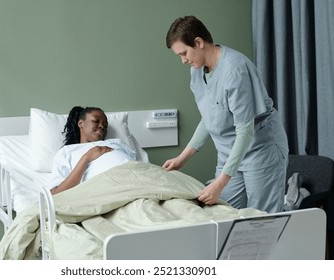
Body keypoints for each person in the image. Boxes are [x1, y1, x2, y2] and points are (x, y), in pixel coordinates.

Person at [163, 16, 289, 213]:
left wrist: (219, 182)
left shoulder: (235, 70)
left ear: (198, 42)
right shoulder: (197, 70)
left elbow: (245, 132)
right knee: (225, 214)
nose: (183, 60)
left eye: (184, 53)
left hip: (260, 150)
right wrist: (182, 158)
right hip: (229, 154)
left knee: (261, 220)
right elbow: (211, 116)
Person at [48, 106, 136, 195]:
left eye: (105, 125)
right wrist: (86, 158)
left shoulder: (117, 143)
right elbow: (56, 194)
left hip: (137, 180)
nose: (101, 126)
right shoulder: (67, 151)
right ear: (80, 123)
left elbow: (137, 163)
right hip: (107, 190)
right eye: (96, 121)